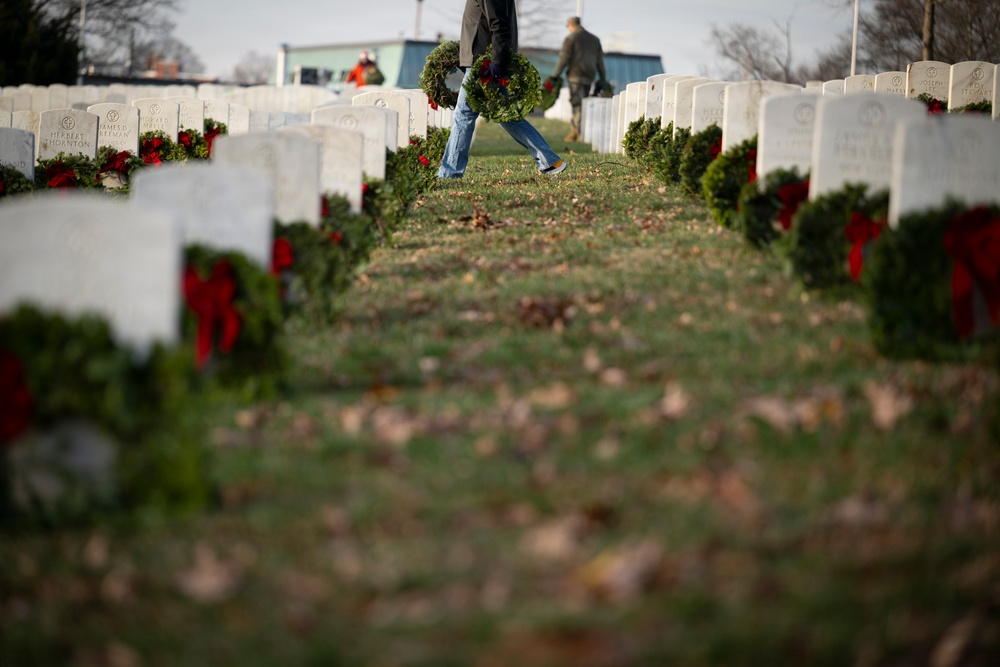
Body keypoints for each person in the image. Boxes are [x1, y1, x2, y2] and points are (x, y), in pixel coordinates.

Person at [438, 0, 566, 179]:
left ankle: (449, 173)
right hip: (481, 61)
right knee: (505, 115)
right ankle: (550, 162)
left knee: (464, 116)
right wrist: (465, 59)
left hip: (483, 63)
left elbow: (499, 25)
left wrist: (496, 61)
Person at [552, 16, 607, 142]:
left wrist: (555, 76)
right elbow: (600, 62)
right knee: (584, 105)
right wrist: (603, 78)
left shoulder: (571, 38)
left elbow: (563, 59)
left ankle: (576, 133)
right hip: (590, 76)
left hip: (576, 76)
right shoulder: (595, 39)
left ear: (571, 25)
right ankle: (579, 131)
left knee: (577, 104)